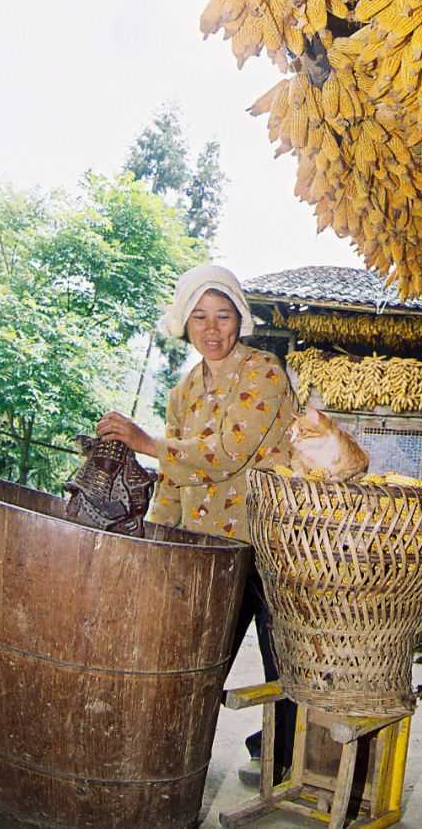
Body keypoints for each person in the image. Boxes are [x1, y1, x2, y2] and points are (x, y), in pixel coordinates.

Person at [96, 263, 296, 786]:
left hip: (270, 540)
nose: (212, 329)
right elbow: (171, 478)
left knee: (286, 659)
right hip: (209, 549)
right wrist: (157, 538)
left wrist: (144, 443)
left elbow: (225, 452)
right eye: (199, 317)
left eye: (223, 316)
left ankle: (282, 755)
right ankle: (172, 757)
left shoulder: (264, 372)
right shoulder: (184, 391)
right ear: (184, 324)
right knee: (198, 657)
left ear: (240, 320)